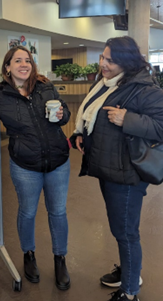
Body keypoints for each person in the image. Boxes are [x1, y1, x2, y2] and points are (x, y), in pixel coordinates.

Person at [0, 45, 71, 290]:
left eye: (27, 60)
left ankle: (60, 258)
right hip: (25, 166)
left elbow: (65, 116)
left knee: (58, 212)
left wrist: (63, 114)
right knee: (28, 212)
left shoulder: (46, 87)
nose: (24, 64)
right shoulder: (0, 98)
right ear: (7, 67)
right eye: (18, 60)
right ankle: (28, 254)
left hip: (58, 162)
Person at [70, 36, 163, 301]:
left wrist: (128, 119)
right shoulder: (107, 84)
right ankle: (129, 271)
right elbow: (92, 113)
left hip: (127, 173)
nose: (103, 64)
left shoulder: (145, 89)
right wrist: (80, 134)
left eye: (111, 60)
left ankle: (130, 289)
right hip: (110, 168)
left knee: (125, 231)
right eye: (103, 57)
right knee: (120, 228)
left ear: (127, 61)